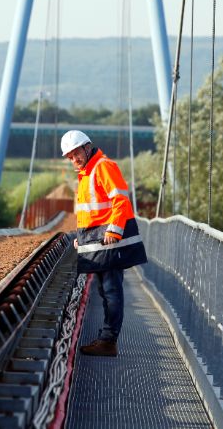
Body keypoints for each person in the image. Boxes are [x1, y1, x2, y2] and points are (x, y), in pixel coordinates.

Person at [61, 129, 147, 357]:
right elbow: (93, 213)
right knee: (105, 290)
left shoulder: (103, 167)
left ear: (87, 147)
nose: (74, 159)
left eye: (76, 153)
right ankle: (106, 339)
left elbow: (120, 200)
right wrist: (82, 238)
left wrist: (114, 230)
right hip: (99, 241)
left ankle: (108, 341)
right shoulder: (86, 173)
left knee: (111, 290)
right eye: (70, 157)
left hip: (109, 242)